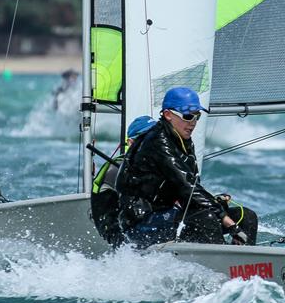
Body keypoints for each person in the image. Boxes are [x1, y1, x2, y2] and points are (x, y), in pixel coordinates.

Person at [115, 87, 258, 249]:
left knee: (246, 217)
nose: (193, 123)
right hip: (140, 225)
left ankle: (245, 265)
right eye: (188, 116)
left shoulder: (182, 139)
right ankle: (221, 266)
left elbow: (191, 188)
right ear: (168, 115)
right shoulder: (157, 142)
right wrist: (226, 220)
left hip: (168, 216)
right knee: (207, 217)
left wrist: (216, 205)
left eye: (197, 116)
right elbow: (186, 185)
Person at [91, 115, 157, 247]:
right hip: (119, 236)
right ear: (130, 143)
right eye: (146, 137)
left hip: (141, 227)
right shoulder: (116, 170)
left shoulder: (152, 165)